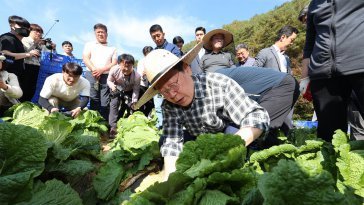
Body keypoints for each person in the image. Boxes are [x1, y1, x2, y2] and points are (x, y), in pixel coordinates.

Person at [134, 43, 269, 181]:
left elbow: (257, 115)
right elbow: (172, 143)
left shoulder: (218, 84)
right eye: (164, 91)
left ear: (187, 70)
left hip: (226, 135)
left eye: (174, 84)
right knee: (164, 140)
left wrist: (232, 146)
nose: (172, 94)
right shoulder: (169, 106)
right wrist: (170, 180)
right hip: (199, 138)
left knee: (232, 134)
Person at [301, 0, 364, 142]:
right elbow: (310, 41)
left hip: (360, 64)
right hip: (323, 73)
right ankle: (333, 163)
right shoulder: (314, 4)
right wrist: (304, 76)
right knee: (329, 135)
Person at [216, 66, 299, 148]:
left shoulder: (213, 81)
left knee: (256, 124)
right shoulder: (215, 77)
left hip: (281, 86)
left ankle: (227, 154)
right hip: (274, 87)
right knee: (267, 132)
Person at [83, 23, 117, 121]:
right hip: (91, 74)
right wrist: (94, 70)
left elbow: (114, 62)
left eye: (102, 32)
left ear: (106, 34)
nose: (100, 34)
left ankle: (104, 122)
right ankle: (94, 122)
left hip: (106, 76)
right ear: (95, 34)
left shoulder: (112, 48)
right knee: (94, 98)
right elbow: (86, 58)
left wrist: (101, 70)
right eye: (98, 32)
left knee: (105, 100)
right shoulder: (89, 44)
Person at [149, 24, 181, 129]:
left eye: (158, 35)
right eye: (154, 37)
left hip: (173, 83)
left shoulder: (173, 48)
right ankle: (161, 129)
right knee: (159, 107)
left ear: (163, 34)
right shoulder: (153, 53)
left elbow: (179, 63)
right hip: (159, 85)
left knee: (174, 106)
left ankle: (177, 128)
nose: (157, 39)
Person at [0, 16, 38, 93]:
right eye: (21, 26)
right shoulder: (8, 38)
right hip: (6, 77)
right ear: (12, 26)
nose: (25, 29)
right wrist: (28, 54)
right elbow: (5, 55)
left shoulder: (17, 40)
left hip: (15, 76)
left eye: (27, 28)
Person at [107, 54, 141, 137]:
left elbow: (136, 90)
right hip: (116, 89)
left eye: (129, 66)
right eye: (124, 66)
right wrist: (112, 86)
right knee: (114, 104)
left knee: (130, 106)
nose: (126, 69)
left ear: (133, 65)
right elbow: (109, 81)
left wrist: (134, 101)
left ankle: (128, 126)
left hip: (129, 90)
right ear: (119, 64)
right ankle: (113, 128)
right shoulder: (114, 69)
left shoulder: (137, 76)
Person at [20, 23, 43, 102]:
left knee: (31, 88)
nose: (39, 33)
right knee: (24, 86)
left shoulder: (40, 43)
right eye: (36, 31)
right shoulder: (25, 39)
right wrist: (35, 43)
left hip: (36, 67)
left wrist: (52, 48)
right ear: (29, 31)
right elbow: (24, 51)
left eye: (40, 32)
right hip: (26, 65)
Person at [136, 46, 154, 116]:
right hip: (142, 85)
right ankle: (141, 118)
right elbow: (139, 75)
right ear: (144, 54)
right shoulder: (142, 61)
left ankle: (145, 117)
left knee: (151, 104)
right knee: (142, 104)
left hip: (150, 85)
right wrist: (143, 76)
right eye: (147, 53)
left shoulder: (154, 61)